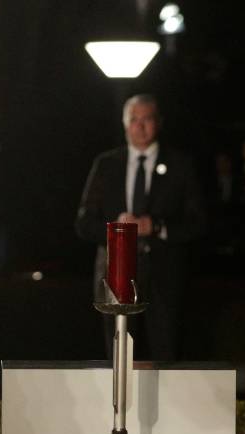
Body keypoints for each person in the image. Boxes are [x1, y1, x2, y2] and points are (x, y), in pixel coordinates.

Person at [76, 94, 206, 360]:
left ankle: (166, 402)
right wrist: (118, 230)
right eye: (134, 120)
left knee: (166, 348)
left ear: (158, 122)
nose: (140, 126)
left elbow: (198, 222)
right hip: (116, 273)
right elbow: (84, 223)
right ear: (125, 125)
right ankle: (117, 402)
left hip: (164, 273)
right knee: (118, 351)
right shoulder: (107, 164)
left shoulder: (181, 165)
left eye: (146, 119)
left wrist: (155, 226)